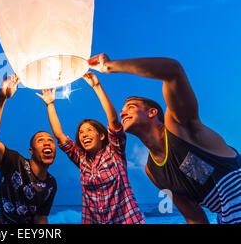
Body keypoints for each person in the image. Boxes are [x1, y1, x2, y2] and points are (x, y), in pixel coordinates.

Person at [89, 53, 241, 224]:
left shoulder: (179, 126)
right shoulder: (152, 170)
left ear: (152, 112)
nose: (122, 112)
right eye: (123, 109)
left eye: (130, 107)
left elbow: (173, 71)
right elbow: (194, 216)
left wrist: (109, 66)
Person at [36, 72, 144, 224]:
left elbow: (113, 121)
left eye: (89, 130)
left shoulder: (114, 152)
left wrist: (97, 86)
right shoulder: (81, 159)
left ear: (101, 135)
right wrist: (50, 104)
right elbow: (59, 135)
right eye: (81, 132)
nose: (84, 135)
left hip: (126, 220)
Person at [0, 75, 57, 224]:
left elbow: (40, 217)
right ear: (31, 150)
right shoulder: (14, 161)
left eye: (50, 140)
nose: (47, 143)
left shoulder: (51, 183)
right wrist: (1, 99)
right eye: (40, 140)